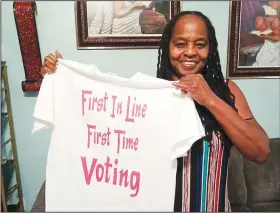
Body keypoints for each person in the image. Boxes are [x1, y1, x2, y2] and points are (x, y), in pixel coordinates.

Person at [41, 11, 270, 212]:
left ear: (210, 49)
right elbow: (100, 134)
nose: (190, 52)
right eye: (180, 44)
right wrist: (63, 79)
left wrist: (209, 98)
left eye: (200, 44)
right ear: (167, 47)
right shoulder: (149, 96)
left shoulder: (227, 91)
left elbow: (260, 151)